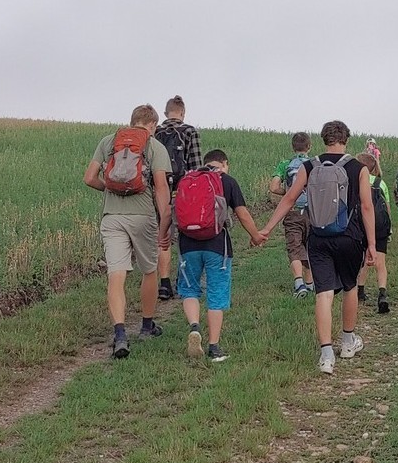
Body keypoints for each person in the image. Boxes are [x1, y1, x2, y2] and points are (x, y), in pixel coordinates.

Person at [258, 120, 376, 375]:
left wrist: (267, 228)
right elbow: (367, 207)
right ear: (346, 139)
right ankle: (348, 342)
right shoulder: (358, 168)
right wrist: (372, 244)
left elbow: (290, 198)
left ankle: (326, 356)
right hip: (350, 237)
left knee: (323, 293)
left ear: (324, 139)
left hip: (319, 237)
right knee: (350, 287)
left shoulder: (309, 166)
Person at [83, 104, 173, 358]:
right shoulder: (155, 146)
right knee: (149, 270)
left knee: (116, 274)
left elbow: (89, 178)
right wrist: (165, 222)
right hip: (143, 216)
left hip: (112, 217)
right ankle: (146, 326)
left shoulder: (108, 142)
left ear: (132, 120)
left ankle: (120, 334)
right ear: (153, 125)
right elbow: (161, 188)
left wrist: (110, 188)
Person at [176, 149, 266, 363]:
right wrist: (255, 236)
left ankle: (194, 327)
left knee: (189, 289)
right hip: (217, 245)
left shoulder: (188, 179)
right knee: (216, 293)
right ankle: (214, 347)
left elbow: (172, 211)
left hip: (187, 243)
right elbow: (242, 213)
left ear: (205, 162)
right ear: (224, 163)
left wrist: (163, 236)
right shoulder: (227, 181)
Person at [154, 95, 202, 301]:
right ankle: (183, 279)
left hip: (159, 190)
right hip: (183, 192)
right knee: (186, 234)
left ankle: (164, 284)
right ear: (183, 113)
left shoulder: (155, 132)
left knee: (163, 235)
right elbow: (196, 168)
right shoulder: (190, 131)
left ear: (166, 113)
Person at [269, 132, 315, 298]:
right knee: (310, 245)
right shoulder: (314, 163)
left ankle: (299, 283)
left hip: (293, 211)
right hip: (312, 212)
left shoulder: (285, 164)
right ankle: (310, 284)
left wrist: (289, 193)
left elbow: (273, 187)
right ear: (309, 146)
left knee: (294, 246)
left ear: (293, 147)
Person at [354, 152, 391, 314]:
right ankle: (382, 293)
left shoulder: (355, 181)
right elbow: (387, 207)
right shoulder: (380, 183)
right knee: (380, 262)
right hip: (380, 226)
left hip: (361, 225)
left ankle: (360, 291)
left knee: (363, 259)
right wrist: (389, 227)